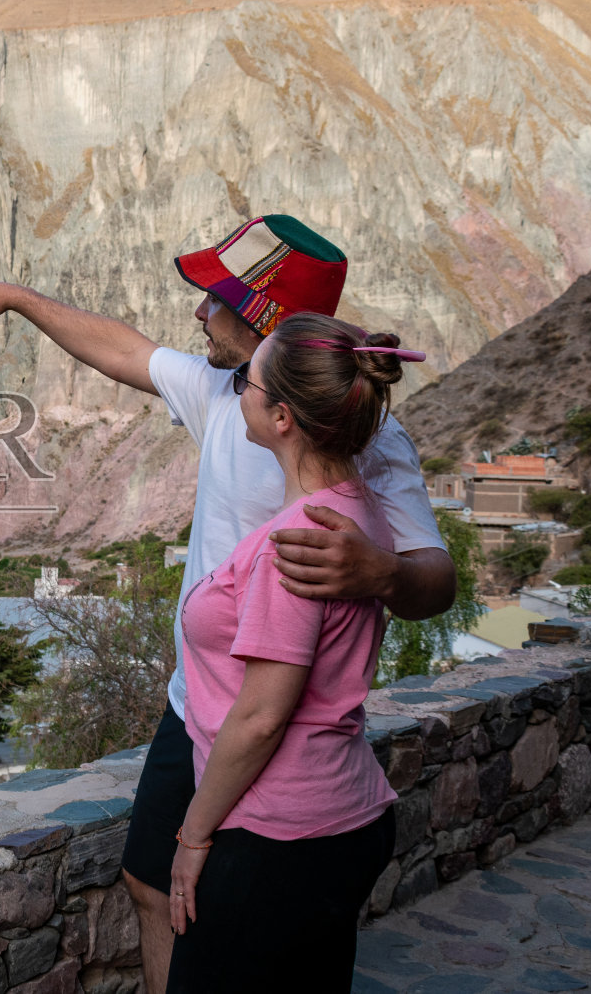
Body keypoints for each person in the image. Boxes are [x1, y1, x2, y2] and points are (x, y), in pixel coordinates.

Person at [0, 214, 454, 992]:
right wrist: (16, 297)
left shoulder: (364, 441)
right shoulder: (223, 391)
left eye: (214, 297)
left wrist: (378, 572)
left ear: (268, 326)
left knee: (225, 914)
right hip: (197, 707)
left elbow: (434, 579)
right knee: (150, 881)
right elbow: (121, 348)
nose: (198, 312)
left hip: (263, 730)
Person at [167, 313, 416, 989]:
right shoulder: (356, 508)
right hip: (342, 818)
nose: (236, 386)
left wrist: (193, 838)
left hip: (276, 836)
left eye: (247, 379)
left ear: (280, 415)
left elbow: (260, 717)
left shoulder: (301, 542)